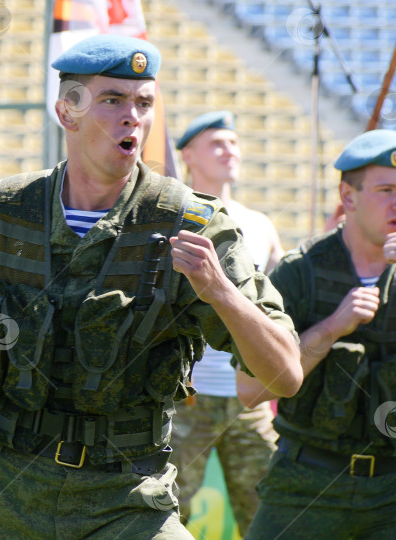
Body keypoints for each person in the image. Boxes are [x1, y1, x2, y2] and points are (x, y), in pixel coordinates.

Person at [0, 34, 302, 539]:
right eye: (113, 101)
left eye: (144, 103)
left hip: (125, 501)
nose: (133, 118)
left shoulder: (192, 224)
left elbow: (283, 377)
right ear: (67, 111)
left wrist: (221, 292)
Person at [239, 130, 396, 539]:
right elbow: (251, 389)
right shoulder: (299, 272)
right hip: (305, 483)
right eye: (386, 190)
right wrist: (329, 329)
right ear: (348, 197)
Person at [170, 110, 283, 534]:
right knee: (166, 511)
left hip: (246, 399)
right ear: (188, 156)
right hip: (186, 397)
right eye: (217, 142)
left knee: (267, 513)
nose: (229, 150)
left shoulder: (259, 225)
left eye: (233, 142)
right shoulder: (172, 215)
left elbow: (276, 306)